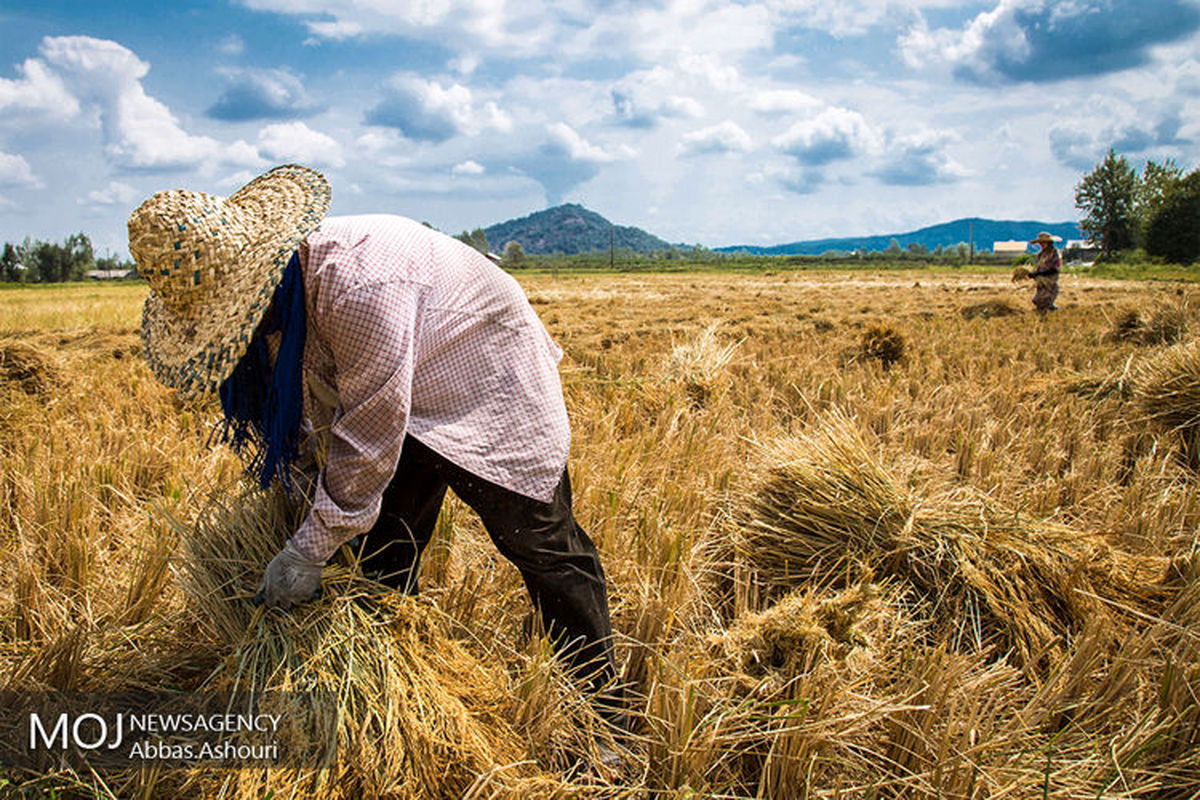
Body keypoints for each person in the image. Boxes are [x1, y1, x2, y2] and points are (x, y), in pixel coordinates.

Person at [126, 164, 623, 725]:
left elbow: (368, 434)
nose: (245, 330)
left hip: (488, 373)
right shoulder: (292, 296)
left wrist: (306, 550)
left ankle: (602, 715)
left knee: (541, 544)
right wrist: (311, 507)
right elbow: (321, 420)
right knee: (385, 546)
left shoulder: (357, 286)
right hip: (411, 373)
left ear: (264, 271)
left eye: (240, 315)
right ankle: (393, 686)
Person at [1028, 231, 1061, 315]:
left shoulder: (1054, 253)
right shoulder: (1041, 255)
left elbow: (1055, 270)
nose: (1041, 244)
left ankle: (1054, 313)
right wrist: (1033, 274)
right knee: (1038, 301)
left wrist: (1039, 274)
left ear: (1049, 243)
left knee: (1045, 303)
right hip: (1041, 283)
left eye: (1043, 242)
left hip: (1050, 283)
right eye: (1040, 243)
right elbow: (1039, 268)